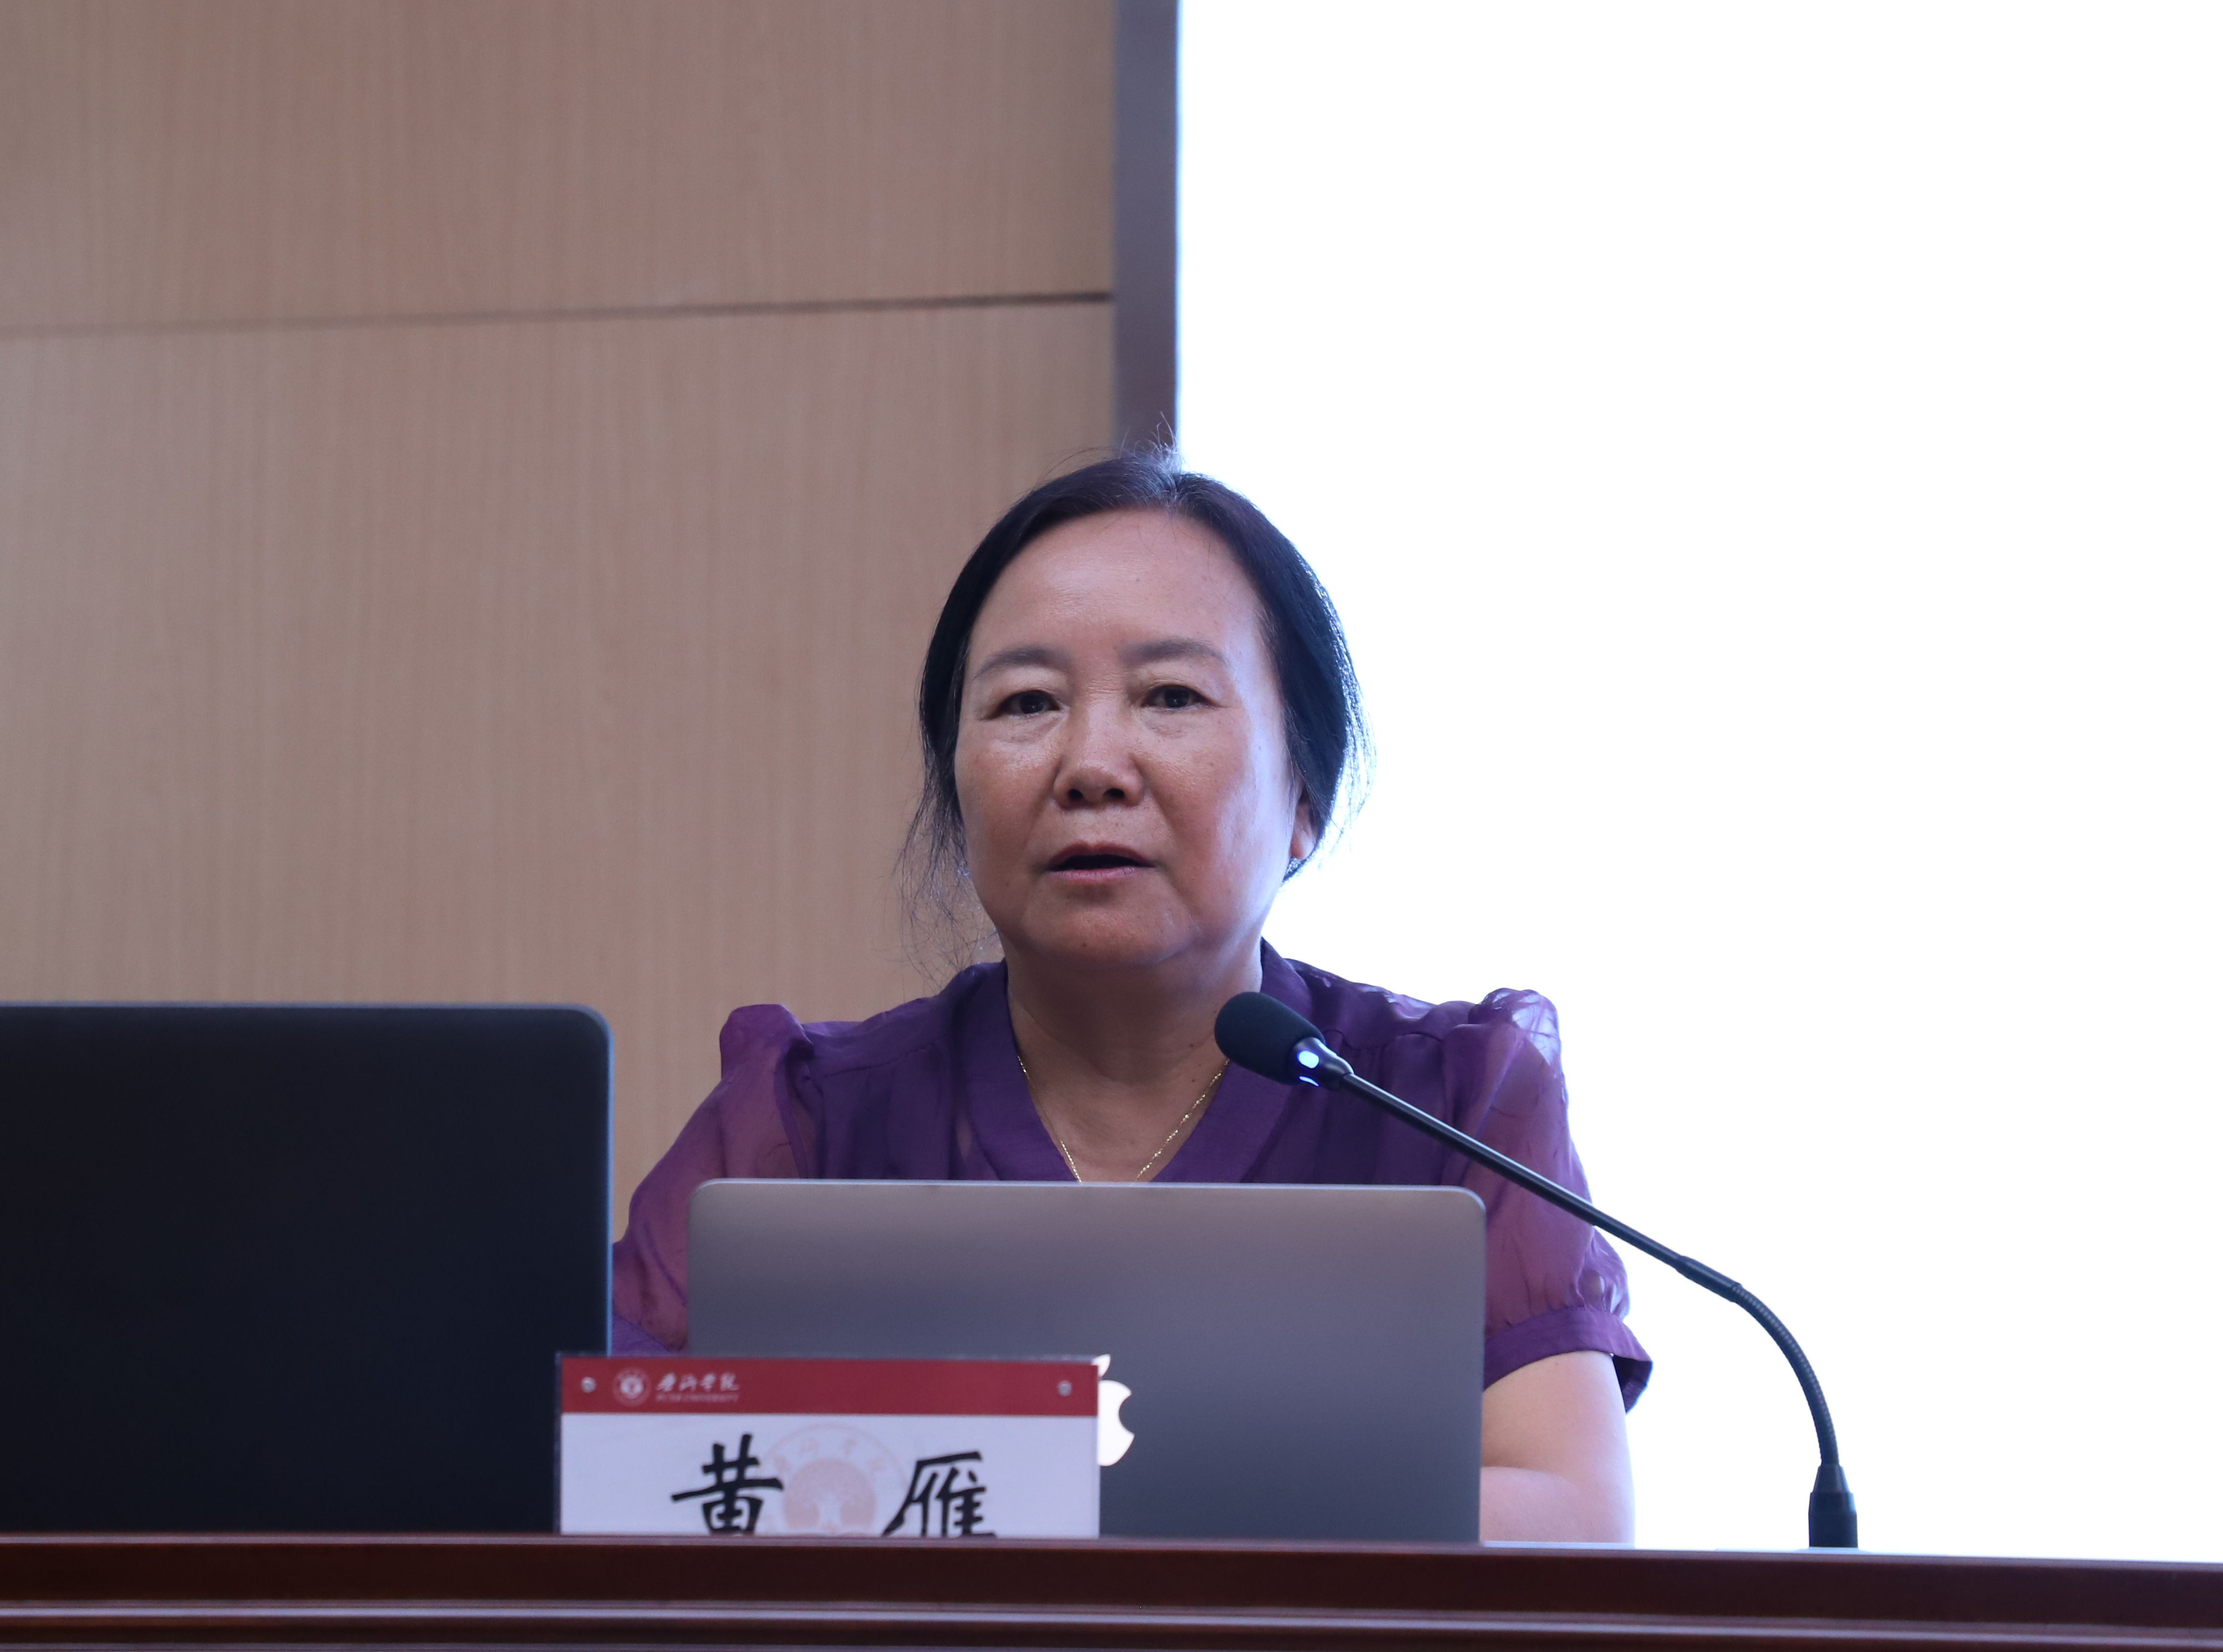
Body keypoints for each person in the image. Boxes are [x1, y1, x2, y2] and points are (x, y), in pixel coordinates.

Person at [611, 453, 1646, 1543]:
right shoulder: (804, 1123)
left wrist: (1040, 1508)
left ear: (1303, 797)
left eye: (1170, 697)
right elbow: (602, 1479)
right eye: (1026, 703)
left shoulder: (1450, 1106)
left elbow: (1569, 1517)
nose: (1092, 764)